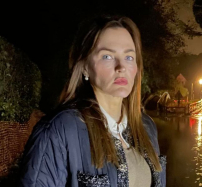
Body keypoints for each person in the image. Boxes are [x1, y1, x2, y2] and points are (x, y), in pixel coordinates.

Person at [18, 16, 166, 187]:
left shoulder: (146, 126)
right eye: (107, 56)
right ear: (85, 66)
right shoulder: (58, 131)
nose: (121, 67)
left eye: (129, 57)